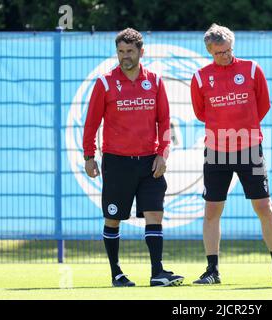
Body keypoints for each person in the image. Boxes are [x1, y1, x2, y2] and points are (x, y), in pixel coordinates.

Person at [190, 23, 272, 285]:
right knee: (212, 210)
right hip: (216, 149)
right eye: (218, 53)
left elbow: (263, 104)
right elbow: (201, 112)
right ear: (209, 51)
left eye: (227, 51)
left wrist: (243, 128)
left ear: (232, 46)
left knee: (263, 206)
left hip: (250, 147)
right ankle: (212, 270)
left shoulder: (251, 69)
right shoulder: (201, 77)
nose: (224, 56)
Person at [83, 28, 184, 287]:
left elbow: (164, 122)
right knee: (113, 217)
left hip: (150, 161)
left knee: (154, 213)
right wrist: (89, 156)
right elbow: (91, 124)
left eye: (129, 51)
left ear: (141, 51)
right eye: (120, 52)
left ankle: (157, 273)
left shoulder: (156, 81)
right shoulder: (104, 83)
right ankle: (116, 273)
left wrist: (163, 154)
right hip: (117, 162)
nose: (124, 56)